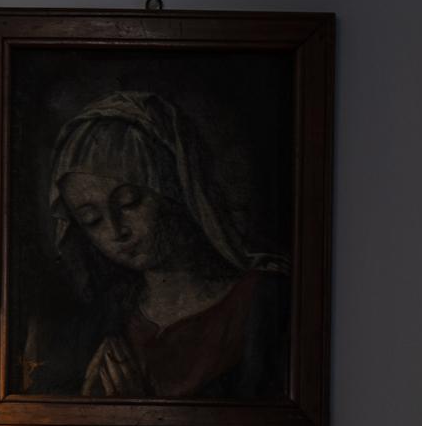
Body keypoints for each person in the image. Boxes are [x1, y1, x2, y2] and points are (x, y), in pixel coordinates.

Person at [29, 91, 290, 399]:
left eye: (129, 202)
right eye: (92, 220)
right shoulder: (102, 321)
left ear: (177, 189)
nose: (116, 230)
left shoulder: (265, 302)